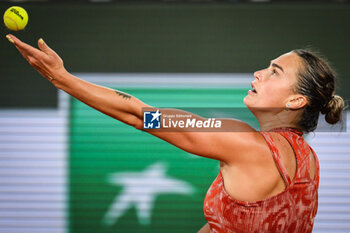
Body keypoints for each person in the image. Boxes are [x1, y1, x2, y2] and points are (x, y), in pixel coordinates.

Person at [6, 34, 345, 233]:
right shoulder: (308, 163)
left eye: (274, 73)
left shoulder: (244, 142)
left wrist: (61, 78)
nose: (257, 73)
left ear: (296, 100)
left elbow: (140, 115)